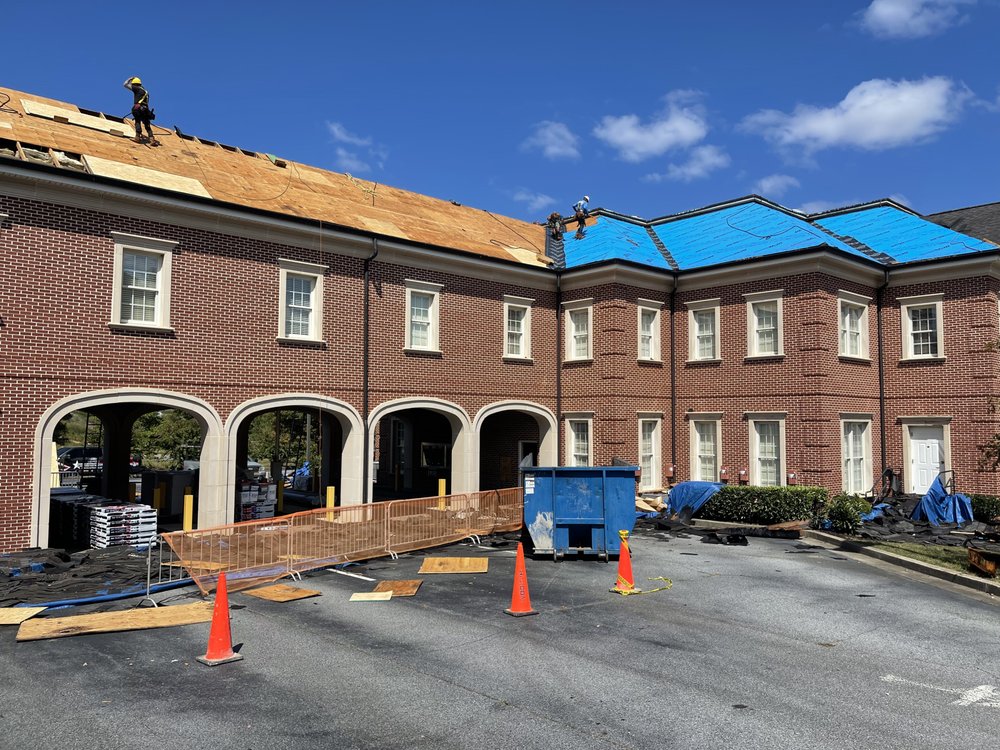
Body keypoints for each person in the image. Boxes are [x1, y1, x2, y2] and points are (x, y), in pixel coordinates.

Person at [123, 76, 158, 145]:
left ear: (134, 84)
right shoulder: (145, 91)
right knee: (147, 125)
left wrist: (131, 78)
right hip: (145, 110)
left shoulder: (136, 88)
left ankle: (137, 137)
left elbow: (125, 84)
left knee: (137, 121)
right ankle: (152, 139)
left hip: (138, 108)